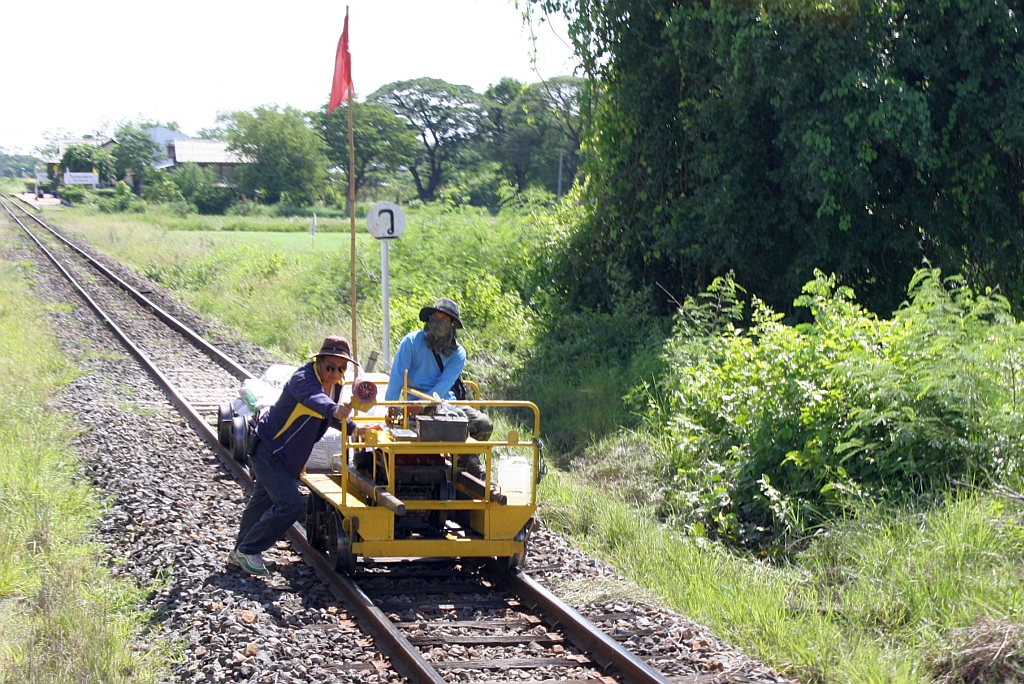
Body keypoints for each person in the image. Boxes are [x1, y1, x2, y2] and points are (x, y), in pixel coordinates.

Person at [229, 336, 361, 576]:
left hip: (283, 456)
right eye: (330, 367)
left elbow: (329, 415)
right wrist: (335, 409)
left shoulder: (336, 385)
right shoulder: (303, 379)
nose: (335, 373)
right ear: (319, 361)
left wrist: (354, 428)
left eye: (341, 369)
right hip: (269, 450)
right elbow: (317, 401)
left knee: (262, 501)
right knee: (290, 505)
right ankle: (248, 550)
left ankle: (240, 550)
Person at [386, 298, 493, 447]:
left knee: (483, 423)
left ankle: (463, 464)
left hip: (445, 401)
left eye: (444, 318)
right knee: (457, 419)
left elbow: (444, 385)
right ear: (429, 319)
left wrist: (422, 404)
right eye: (436, 316)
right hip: (413, 403)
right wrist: (391, 407)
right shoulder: (412, 341)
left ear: (452, 325)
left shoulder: (458, 354)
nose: (438, 321)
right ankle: (468, 464)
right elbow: (397, 376)